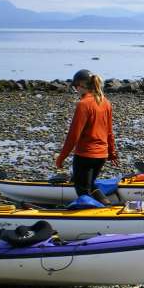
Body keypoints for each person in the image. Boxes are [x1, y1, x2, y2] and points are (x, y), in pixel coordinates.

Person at [55, 69, 118, 205]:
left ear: (81, 85)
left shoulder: (83, 104)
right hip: (101, 155)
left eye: (75, 87)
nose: (76, 90)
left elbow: (73, 136)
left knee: (82, 190)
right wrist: (112, 153)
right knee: (90, 184)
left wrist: (61, 158)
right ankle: (107, 205)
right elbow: (109, 131)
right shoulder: (105, 102)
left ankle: (97, 213)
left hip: (86, 155)